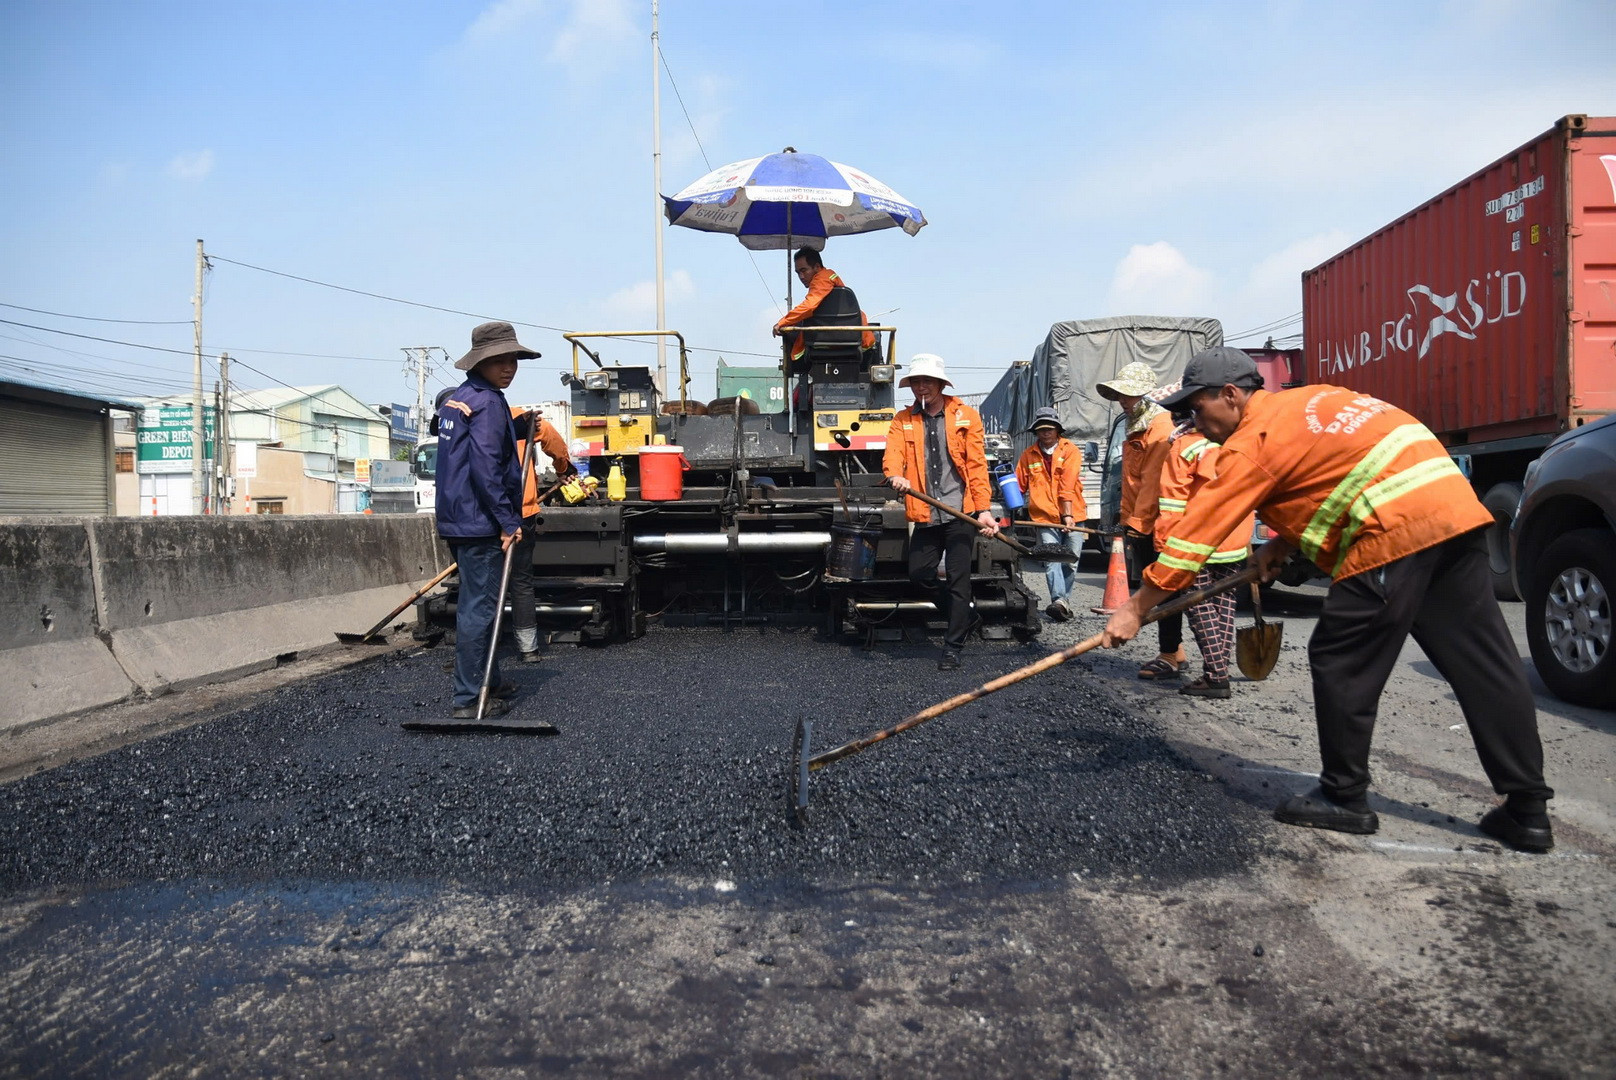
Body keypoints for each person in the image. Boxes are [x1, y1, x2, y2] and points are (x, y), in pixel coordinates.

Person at [1100, 346, 1554, 852]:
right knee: (1482, 661)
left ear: (1231, 394)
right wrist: (1282, 542)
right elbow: (1337, 471)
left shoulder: (1252, 441)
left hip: (1392, 531)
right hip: (1452, 513)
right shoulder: (1316, 401)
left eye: (1198, 409)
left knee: (1340, 658)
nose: (1196, 422)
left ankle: (1344, 797)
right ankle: (1527, 811)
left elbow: (1193, 539)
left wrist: (1135, 609)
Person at [434, 321, 540, 720]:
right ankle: (467, 699)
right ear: (481, 362)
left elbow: (472, 445)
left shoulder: (460, 399)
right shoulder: (490, 402)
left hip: (457, 517)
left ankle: (489, 681)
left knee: (483, 604)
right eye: (499, 360)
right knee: (480, 609)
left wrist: (516, 427)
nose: (509, 367)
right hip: (480, 520)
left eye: (512, 359)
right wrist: (508, 521)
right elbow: (485, 467)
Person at [882, 353, 999, 671]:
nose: (921, 387)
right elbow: (892, 453)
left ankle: (952, 646)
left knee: (960, 581)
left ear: (940, 384)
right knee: (920, 574)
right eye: (916, 382)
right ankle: (966, 616)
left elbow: (977, 466)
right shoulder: (902, 419)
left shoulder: (966, 416)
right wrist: (895, 474)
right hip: (925, 510)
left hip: (961, 512)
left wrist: (984, 510)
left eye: (927, 381)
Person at [1154, 419, 1254, 698]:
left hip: (1197, 541)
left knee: (1199, 606)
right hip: (1234, 536)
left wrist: (1164, 545)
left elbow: (1172, 502)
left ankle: (1216, 676)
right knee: (1224, 606)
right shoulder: (1233, 440)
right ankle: (1219, 670)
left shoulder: (1184, 447)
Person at [1096, 362, 1184, 679]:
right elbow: (1131, 481)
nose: (1123, 400)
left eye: (1129, 395)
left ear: (1146, 394)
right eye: (1121, 394)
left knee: (1162, 588)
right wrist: (1127, 518)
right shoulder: (1138, 425)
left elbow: (1152, 484)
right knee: (1159, 586)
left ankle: (1170, 655)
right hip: (1144, 520)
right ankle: (1176, 650)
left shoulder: (1159, 428)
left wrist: (1138, 523)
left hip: (1159, 523)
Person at [508, 406, 576, 663]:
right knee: (521, 581)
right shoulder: (517, 415)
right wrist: (562, 466)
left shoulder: (461, 419)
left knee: (482, 586)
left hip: (479, 515)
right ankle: (528, 649)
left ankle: (472, 655)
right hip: (520, 510)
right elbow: (551, 438)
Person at [1013, 407, 1086, 621]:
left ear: (1057, 431)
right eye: (1041, 429)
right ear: (1036, 432)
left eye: (1049, 429)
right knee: (1052, 560)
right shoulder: (1028, 455)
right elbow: (1019, 486)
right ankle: (1058, 601)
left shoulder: (1070, 450)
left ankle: (1064, 601)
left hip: (1074, 515)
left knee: (1071, 561)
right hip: (1044, 518)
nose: (1045, 433)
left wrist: (1067, 515)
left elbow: (1067, 485)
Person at [772, 247, 876, 372]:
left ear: (816, 267)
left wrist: (783, 322)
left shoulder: (822, 279)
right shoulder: (829, 278)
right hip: (852, 341)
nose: (801, 276)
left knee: (790, 333)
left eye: (804, 270)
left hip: (842, 343)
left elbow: (809, 306)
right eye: (798, 272)